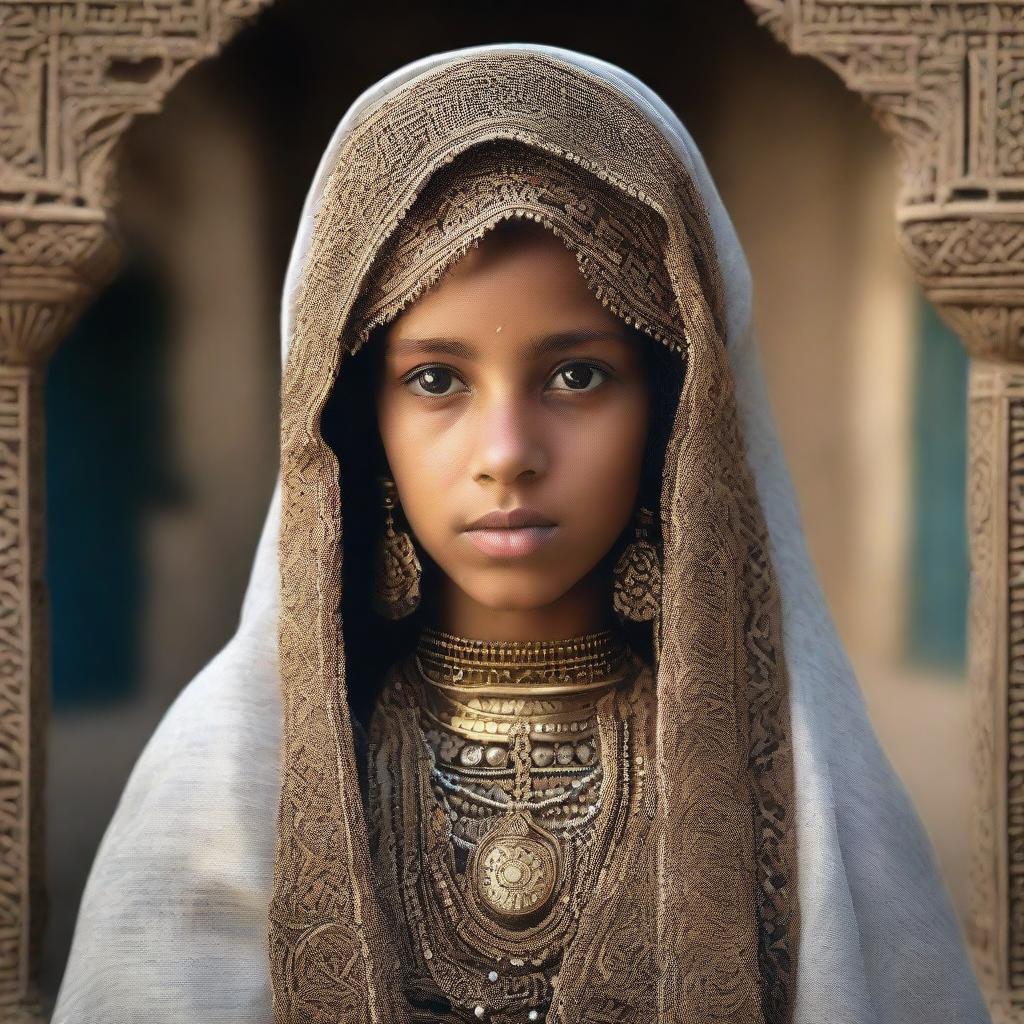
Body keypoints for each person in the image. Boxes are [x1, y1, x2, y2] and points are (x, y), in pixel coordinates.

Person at [51, 44, 989, 1024]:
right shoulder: (224, 793)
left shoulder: (802, 802)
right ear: (358, 416)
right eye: (436, 380)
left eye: (576, 375)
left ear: (675, 408)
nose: (507, 452)